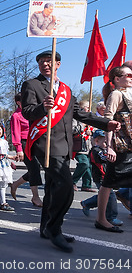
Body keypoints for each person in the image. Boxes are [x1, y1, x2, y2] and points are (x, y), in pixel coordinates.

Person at [21, 50, 118, 253]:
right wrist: (42, 107)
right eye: (41, 62)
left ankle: (45, 228)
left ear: (58, 64)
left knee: (52, 188)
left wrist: (106, 123)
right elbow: (27, 112)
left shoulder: (66, 90)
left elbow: (80, 114)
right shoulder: (32, 85)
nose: (45, 65)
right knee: (65, 187)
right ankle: (54, 229)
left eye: (49, 61)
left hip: (64, 147)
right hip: (45, 145)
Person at [96, 65, 132, 232]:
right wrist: (109, 147)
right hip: (121, 147)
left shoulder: (129, 93)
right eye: (129, 75)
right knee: (108, 182)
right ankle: (101, 219)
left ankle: (124, 194)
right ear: (117, 79)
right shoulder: (116, 94)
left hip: (130, 146)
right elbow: (107, 121)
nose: (131, 77)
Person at [80, 130, 122, 226]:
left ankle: (87, 203)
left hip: (108, 176)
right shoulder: (95, 150)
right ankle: (111, 217)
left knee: (105, 196)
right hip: (101, 177)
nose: (107, 144)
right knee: (111, 196)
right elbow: (103, 157)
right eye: (105, 142)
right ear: (96, 141)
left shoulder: (103, 149)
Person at [9, 93, 43, 207]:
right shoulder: (16, 115)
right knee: (34, 168)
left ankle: (15, 185)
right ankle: (35, 197)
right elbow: (15, 133)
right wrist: (19, 149)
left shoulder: (31, 112)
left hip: (35, 141)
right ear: (18, 102)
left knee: (36, 168)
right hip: (24, 144)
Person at [71, 100, 95, 192]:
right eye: (87, 107)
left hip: (88, 147)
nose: (89, 109)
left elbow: (96, 130)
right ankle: (72, 181)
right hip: (79, 146)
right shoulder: (76, 118)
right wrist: (83, 127)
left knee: (89, 166)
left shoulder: (90, 118)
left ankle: (86, 184)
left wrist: (91, 132)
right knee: (84, 163)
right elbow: (72, 129)